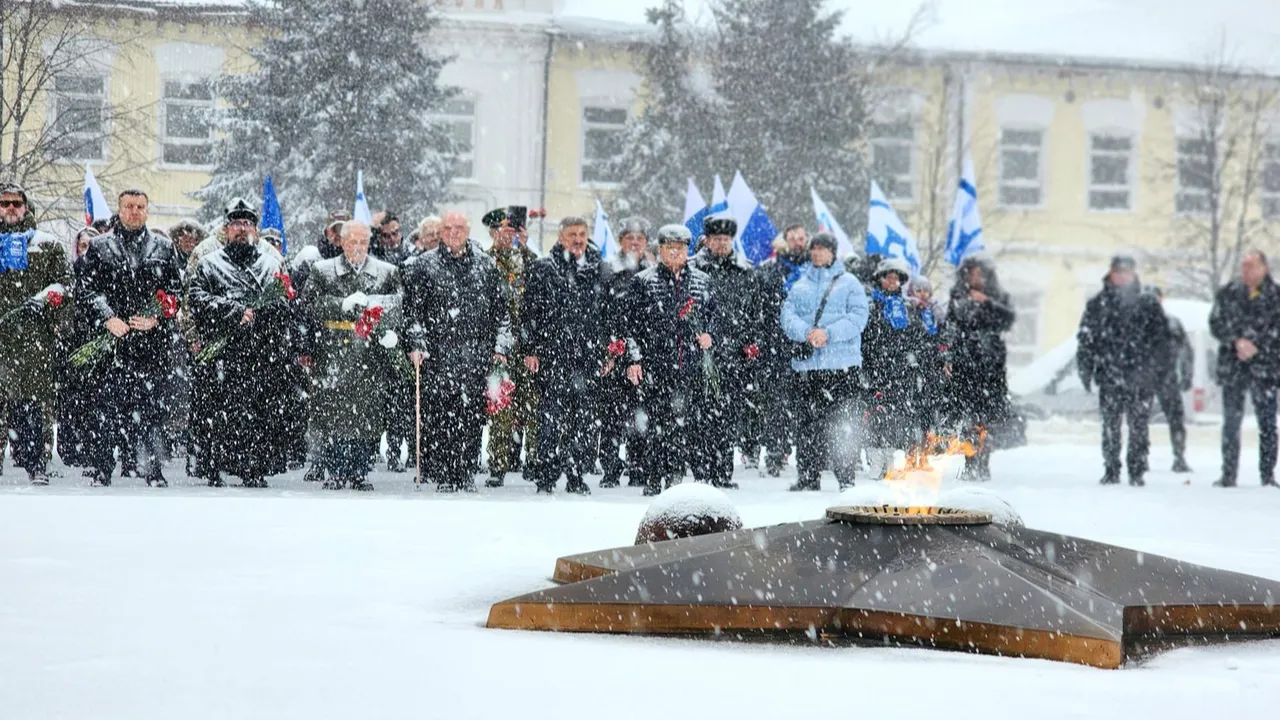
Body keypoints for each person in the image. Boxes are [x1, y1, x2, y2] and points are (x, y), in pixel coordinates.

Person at [75, 189, 184, 487]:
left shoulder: (164, 247)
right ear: (119, 210)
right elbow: (86, 290)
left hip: (151, 346)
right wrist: (107, 317)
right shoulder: (99, 247)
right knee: (105, 411)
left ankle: (153, 470)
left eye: (140, 206)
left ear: (147, 211)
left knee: (152, 412)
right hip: (111, 346)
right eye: (129, 206)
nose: (134, 211)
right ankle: (102, 468)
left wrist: (157, 318)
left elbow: (175, 292)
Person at [187, 199, 297, 488]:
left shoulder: (271, 263)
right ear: (226, 229)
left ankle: (254, 466)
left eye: (247, 224)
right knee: (217, 413)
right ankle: (215, 467)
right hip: (222, 353)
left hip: (261, 352)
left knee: (259, 413)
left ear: (255, 231)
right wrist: (233, 311)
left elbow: (286, 303)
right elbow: (196, 299)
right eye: (236, 224)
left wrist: (259, 313)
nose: (242, 229)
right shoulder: (209, 263)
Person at [405, 211, 512, 493]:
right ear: (441, 232)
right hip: (438, 356)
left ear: (468, 230)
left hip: (476, 355)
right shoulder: (424, 265)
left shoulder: (485, 265)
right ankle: (445, 473)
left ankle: (465, 472)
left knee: (472, 417)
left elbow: (501, 313)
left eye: (460, 227)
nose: (454, 232)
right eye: (448, 227)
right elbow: (413, 313)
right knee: (441, 417)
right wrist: (417, 344)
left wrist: (500, 348)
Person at [305, 221, 403, 491]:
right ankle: (336, 469)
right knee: (334, 412)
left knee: (367, 413)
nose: (358, 247)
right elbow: (309, 304)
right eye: (352, 242)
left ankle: (360, 470)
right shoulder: (323, 270)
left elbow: (398, 304)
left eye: (363, 242)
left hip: (369, 353)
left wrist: (383, 321)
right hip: (334, 350)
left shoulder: (387, 271)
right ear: (342, 243)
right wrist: (341, 305)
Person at [623, 224, 718, 496]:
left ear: (688, 250)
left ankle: (677, 476)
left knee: (684, 424)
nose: (675, 253)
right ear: (660, 250)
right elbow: (631, 325)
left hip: (690, 366)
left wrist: (710, 335)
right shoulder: (643, 281)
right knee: (655, 423)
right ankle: (654, 476)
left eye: (680, 248)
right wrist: (634, 359)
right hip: (656, 366)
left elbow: (716, 318)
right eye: (669, 248)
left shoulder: (702, 281)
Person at [520, 216, 604, 494]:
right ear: (560, 237)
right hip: (552, 355)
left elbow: (607, 314)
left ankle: (576, 474)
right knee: (549, 421)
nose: (578, 240)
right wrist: (530, 349)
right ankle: (546, 475)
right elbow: (529, 312)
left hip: (587, 358)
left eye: (582, 234)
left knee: (584, 422)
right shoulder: (543, 267)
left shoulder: (599, 268)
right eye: (572, 234)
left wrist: (608, 350)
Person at [780, 232, 869, 491]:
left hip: (841, 368)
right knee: (807, 425)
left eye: (822, 248)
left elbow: (858, 317)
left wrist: (828, 334)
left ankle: (846, 477)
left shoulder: (850, 283)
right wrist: (806, 333)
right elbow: (787, 316)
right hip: (808, 369)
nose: (817, 253)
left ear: (833, 252)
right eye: (814, 248)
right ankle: (808, 476)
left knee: (843, 425)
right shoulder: (800, 284)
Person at [1076, 255, 1169, 487]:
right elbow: (1086, 340)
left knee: (1139, 426)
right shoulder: (1098, 304)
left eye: (1126, 272)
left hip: (1141, 375)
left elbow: (1161, 341)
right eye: (1118, 272)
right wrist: (1086, 370)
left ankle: (1137, 470)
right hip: (1109, 373)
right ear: (1111, 273)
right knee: (1110, 425)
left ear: (1133, 274)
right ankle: (1111, 468)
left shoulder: (1147, 304)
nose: (1122, 276)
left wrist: (1158, 371)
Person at [0, 183, 71, 485]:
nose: (10, 208)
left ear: (26, 207)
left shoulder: (47, 245)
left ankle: (37, 463)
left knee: (35, 406)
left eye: (16, 203)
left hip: (34, 340)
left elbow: (65, 284)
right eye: (4, 203)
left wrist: (45, 301)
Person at [690, 216, 761, 489]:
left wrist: (750, 342)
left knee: (727, 418)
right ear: (707, 240)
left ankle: (722, 473)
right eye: (716, 238)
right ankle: (701, 474)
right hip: (700, 354)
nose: (721, 243)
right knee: (699, 417)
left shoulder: (745, 271)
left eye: (726, 239)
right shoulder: (693, 269)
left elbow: (755, 311)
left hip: (733, 356)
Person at [1208, 250, 1280, 488]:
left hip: (1265, 368)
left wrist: (1258, 346)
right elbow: (1216, 323)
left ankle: (1267, 475)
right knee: (1231, 421)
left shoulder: (1276, 296)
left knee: (1267, 423)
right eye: (1244, 266)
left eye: (1252, 266)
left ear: (1264, 268)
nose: (1246, 271)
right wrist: (1235, 341)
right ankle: (1228, 474)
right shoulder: (1228, 293)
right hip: (1233, 366)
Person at [943, 255, 1015, 481]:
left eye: (978, 274)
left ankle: (983, 462)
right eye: (970, 274)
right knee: (968, 418)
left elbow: (1008, 320)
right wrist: (948, 356)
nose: (974, 278)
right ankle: (970, 461)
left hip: (990, 365)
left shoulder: (997, 296)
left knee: (987, 417)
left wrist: (986, 301)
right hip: (965, 363)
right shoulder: (958, 296)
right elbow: (951, 326)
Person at [482, 207, 539, 487]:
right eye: (504, 229)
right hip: (498, 344)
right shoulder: (485, 260)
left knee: (532, 404)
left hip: (527, 344)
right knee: (501, 406)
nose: (509, 235)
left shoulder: (529, 260)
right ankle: (498, 464)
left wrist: (525, 248)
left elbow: (539, 285)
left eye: (513, 230)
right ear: (494, 232)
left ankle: (535, 461)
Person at [861, 257, 929, 480]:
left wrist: (913, 358)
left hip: (900, 371)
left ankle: (890, 457)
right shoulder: (870, 305)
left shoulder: (907, 307)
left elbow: (917, 337)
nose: (891, 282)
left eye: (895, 278)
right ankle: (875, 458)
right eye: (888, 278)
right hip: (874, 368)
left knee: (896, 416)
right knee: (873, 415)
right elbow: (863, 336)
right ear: (880, 279)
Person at [597, 217, 652, 488]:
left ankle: (638, 465)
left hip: (645, 355)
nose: (634, 242)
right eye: (630, 237)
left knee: (641, 413)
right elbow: (599, 313)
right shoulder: (608, 270)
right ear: (620, 241)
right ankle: (610, 468)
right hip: (614, 352)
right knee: (611, 416)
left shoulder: (653, 273)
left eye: (640, 238)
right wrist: (608, 347)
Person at [754, 224, 809, 476]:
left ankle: (811, 456)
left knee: (808, 405)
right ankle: (776, 454)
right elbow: (761, 310)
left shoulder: (814, 271)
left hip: (809, 346)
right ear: (784, 241)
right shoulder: (771, 271)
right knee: (777, 404)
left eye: (801, 238)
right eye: (793, 238)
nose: (797, 242)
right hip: (777, 347)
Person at [1149, 286, 1193, 474]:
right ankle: (1177, 456)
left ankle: (1177, 456)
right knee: (1173, 418)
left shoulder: (1171, 323)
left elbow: (1185, 351)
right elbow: (1186, 351)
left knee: (1172, 418)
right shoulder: (1170, 323)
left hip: (1159, 375)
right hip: (1158, 375)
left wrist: (1186, 373)